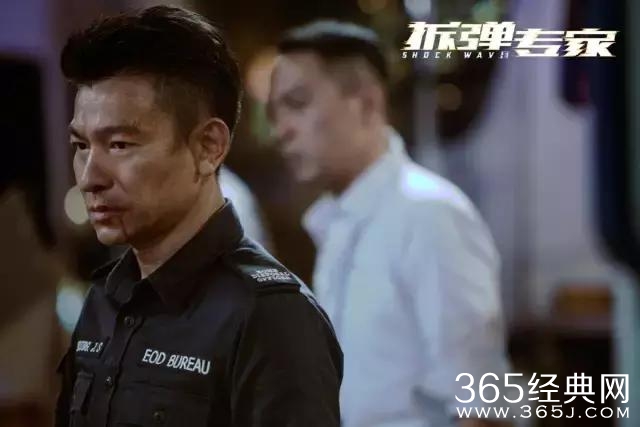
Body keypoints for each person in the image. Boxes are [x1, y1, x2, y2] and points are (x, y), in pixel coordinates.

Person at [55, 7, 342, 427]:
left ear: (209, 147)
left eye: (119, 145)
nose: (89, 178)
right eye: (81, 146)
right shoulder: (103, 302)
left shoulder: (271, 319)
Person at [268, 20, 512, 427]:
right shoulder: (337, 224)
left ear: (366, 104)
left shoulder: (429, 215)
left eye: (297, 103)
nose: (281, 130)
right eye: (275, 113)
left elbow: (482, 406)